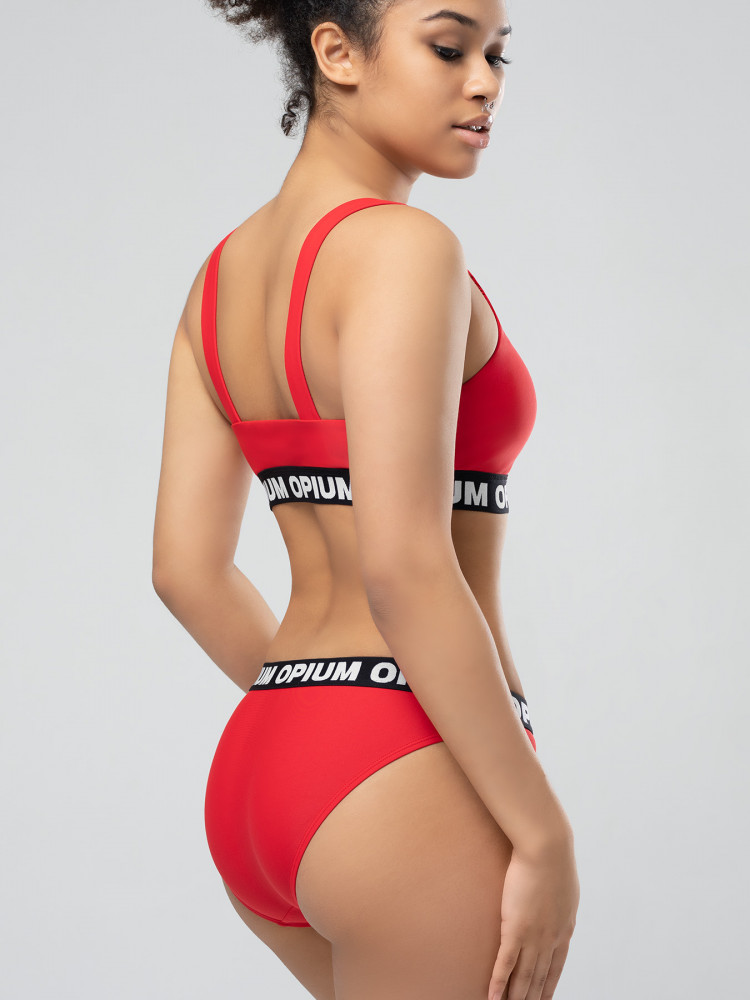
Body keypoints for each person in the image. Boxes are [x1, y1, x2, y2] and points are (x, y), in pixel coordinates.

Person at [152, 1, 580, 998]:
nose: (485, 82)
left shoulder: (217, 279)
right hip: (404, 761)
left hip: (268, 762)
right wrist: (541, 831)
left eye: (497, 55)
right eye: (449, 47)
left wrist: (317, 718)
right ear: (336, 52)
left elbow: (184, 571)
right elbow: (403, 564)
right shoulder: (405, 248)